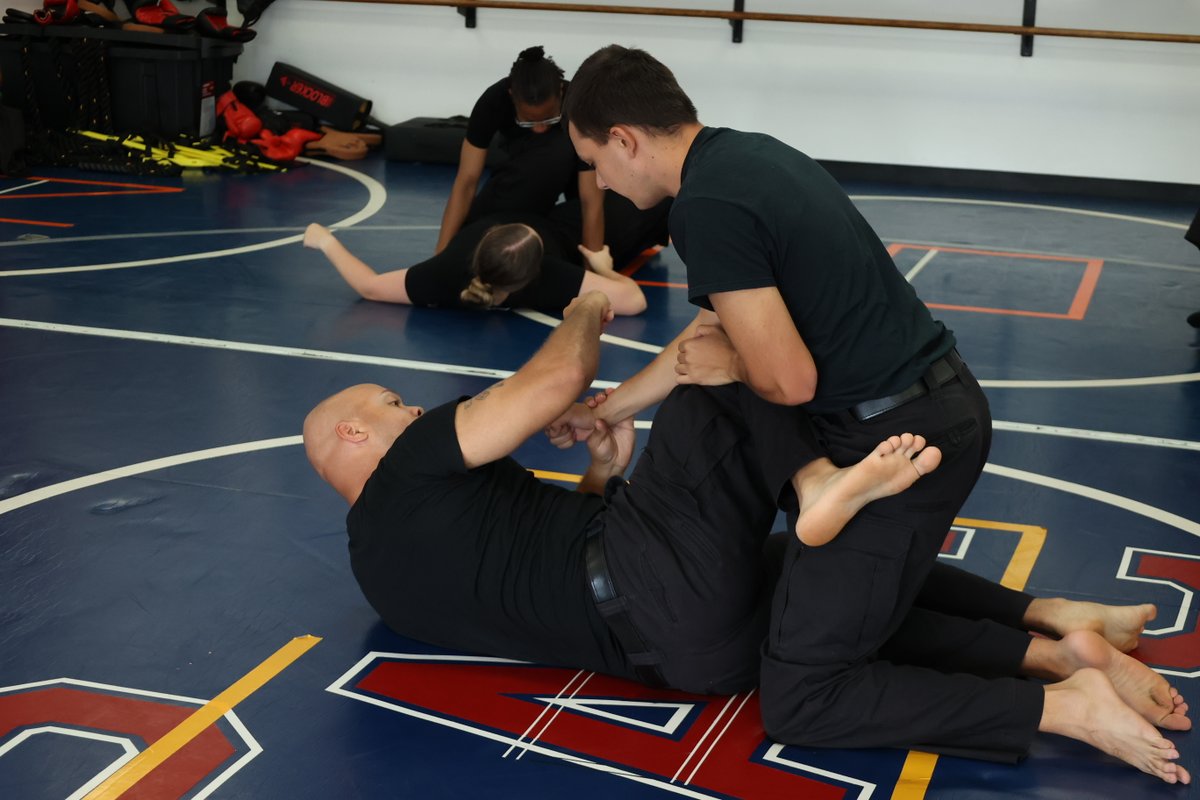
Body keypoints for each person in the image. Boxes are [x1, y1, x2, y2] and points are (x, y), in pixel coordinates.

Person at [558, 45, 1192, 779]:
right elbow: (709, 345)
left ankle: (1065, 705)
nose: (598, 180)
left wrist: (734, 362)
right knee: (825, 594)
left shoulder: (705, 207)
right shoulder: (745, 156)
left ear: (626, 139)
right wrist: (608, 407)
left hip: (898, 444)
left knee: (802, 697)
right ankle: (1055, 628)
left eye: (596, 160)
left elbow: (783, 381)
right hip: (934, 403)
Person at [304, 291, 1190, 783]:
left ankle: (1057, 652)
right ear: (354, 437)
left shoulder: (378, 569)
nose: (413, 409)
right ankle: (816, 483)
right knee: (713, 366)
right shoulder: (414, 459)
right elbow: (553, 383)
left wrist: (606, 471)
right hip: (651, 581)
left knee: (823, 594)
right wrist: (587, 305)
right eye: (393, 406)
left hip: (680, 656)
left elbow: (524, 582)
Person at [437, 45, 671, 269]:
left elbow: (591, 201)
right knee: (477, 239)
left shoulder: (581, 109)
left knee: (630, 215)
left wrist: (591, 273)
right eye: (528, 121)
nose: (539, 129)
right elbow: (466, 181)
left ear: (560, 91)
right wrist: (440, 259)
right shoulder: (493, 101)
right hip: (526, 177)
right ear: (511, 96)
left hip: (578, 174)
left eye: (548, 119)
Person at [303, 212, 646, 316]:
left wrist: (325, 240)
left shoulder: (448, 272)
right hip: (563, 228)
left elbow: (370, 287)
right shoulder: (553, 277)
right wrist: (602, 266)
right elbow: (634, 299)